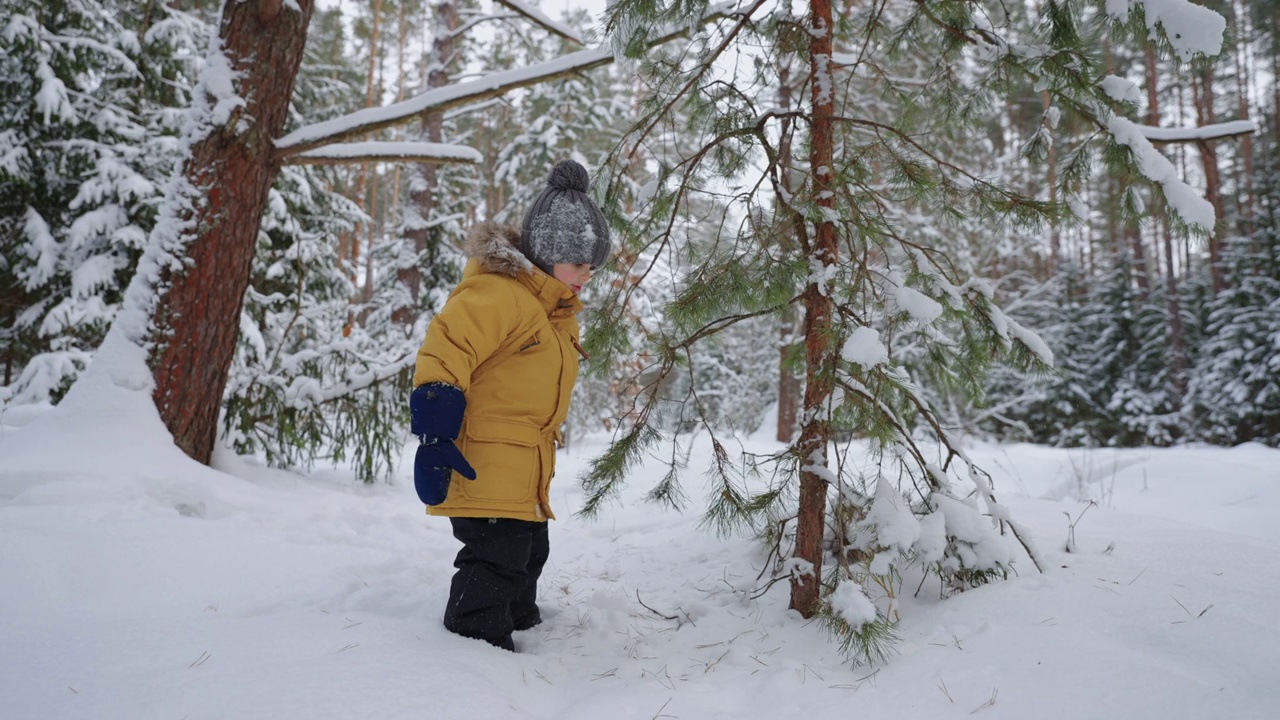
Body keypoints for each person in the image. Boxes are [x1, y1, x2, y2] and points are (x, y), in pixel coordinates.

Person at [409, 159, 611, 651]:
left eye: (593, 265)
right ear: (546, 252)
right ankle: (475, 642)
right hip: (482, 461)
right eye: (579, 261)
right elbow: (447, 349)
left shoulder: (554, 313)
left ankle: (520, 622)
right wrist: (435, 431)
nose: (587, 273)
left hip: (524, 465)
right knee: (495, 559)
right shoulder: (497, 294)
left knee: (527, 554)